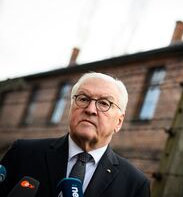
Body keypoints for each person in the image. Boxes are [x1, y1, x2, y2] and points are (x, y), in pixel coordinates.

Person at [0, 72, 150, 197]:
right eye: (83, 99)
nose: (90, 109)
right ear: (71, 108)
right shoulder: (23, 153)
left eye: (104, 103)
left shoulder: (135, 184)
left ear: (119, 122)